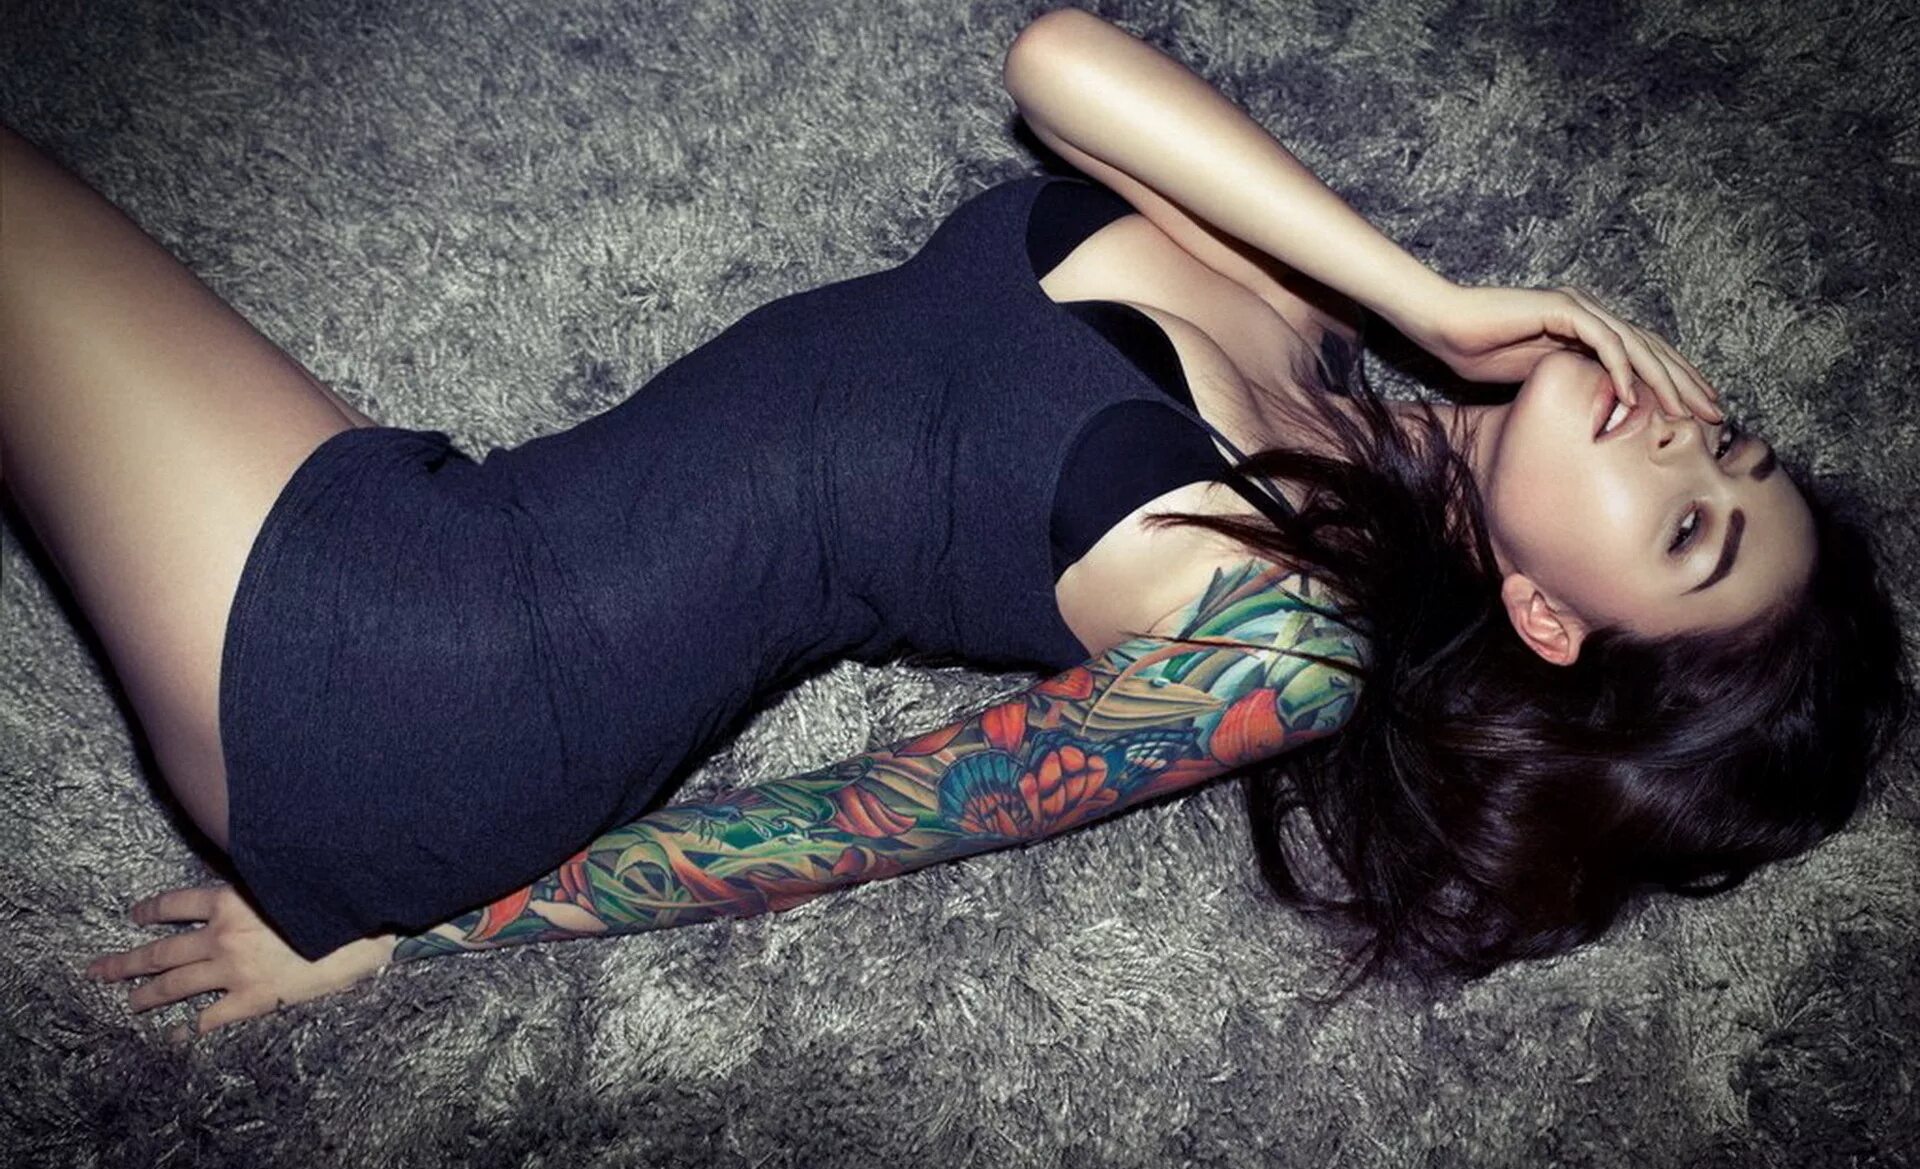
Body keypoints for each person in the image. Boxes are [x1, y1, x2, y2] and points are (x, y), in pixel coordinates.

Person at [11, 7, 1902, 1042]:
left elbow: (851, 822)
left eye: (1690, 532)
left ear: (1553, 622)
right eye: (1730, 448)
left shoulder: (1284, 636)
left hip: (421, 694)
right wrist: (1433, 298)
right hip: (479, 536)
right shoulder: (1332, 339)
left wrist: (408, 934)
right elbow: (1058, 65)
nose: (1686, 443)